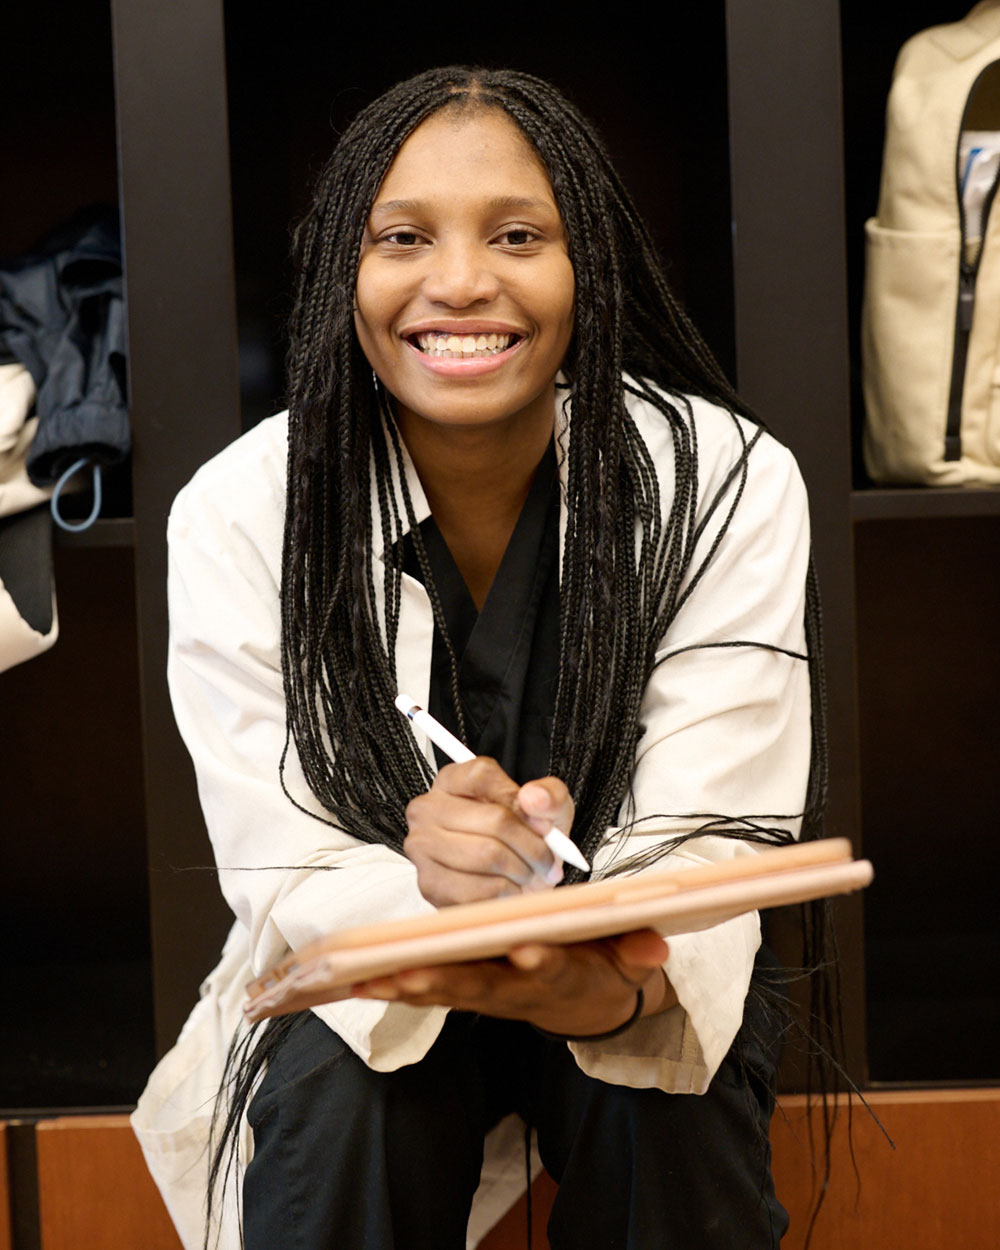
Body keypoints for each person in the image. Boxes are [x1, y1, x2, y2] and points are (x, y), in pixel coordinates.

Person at [132, 65, 827, 1250]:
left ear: (586, 264)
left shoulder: (723, 478)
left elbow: (714, 830)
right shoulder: (242, 510)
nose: (459, 282)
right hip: (375, 972)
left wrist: (604, 978)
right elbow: (288, 860)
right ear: (344, 273)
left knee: (658, 1107)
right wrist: (437, 901)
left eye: (517, 234)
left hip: (635, 960)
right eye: (402, 236)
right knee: (344, 1104)